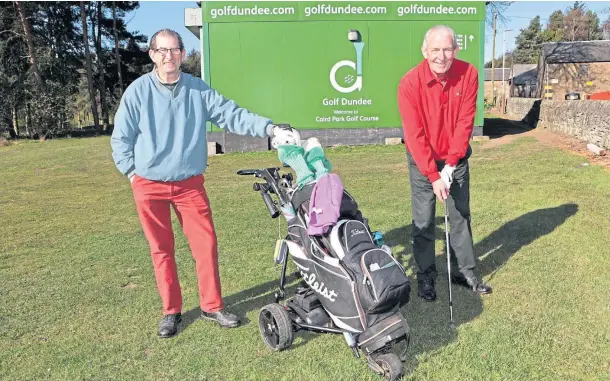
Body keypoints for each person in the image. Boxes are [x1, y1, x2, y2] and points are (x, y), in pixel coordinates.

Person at [110, 29, 300, 338]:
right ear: (153, 55)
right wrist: (132, 173)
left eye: (174, 50)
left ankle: (212, 306)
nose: (168, 56)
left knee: (205, 245)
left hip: (190, 185)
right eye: (162, 50)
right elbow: (121, 139)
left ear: (183, 54)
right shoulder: (138, 92)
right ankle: (171, 311)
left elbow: (231, 114)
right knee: (161, 249)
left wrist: (269, 129)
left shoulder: (197, 90)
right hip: (148, 185)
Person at [397, 25, 492, 302]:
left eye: (447, 49)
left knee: (460, 215)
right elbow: (414, 135)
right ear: (425, 51)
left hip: (456, 158)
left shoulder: (469, 74)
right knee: (424, 219)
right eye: (435, 49)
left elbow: (465, 124)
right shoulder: (409, 83)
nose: (441, 56)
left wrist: (450, 166)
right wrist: (433, 174)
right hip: (421, 160)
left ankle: (464, 271)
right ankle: (426, 274)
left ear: (455, 50)